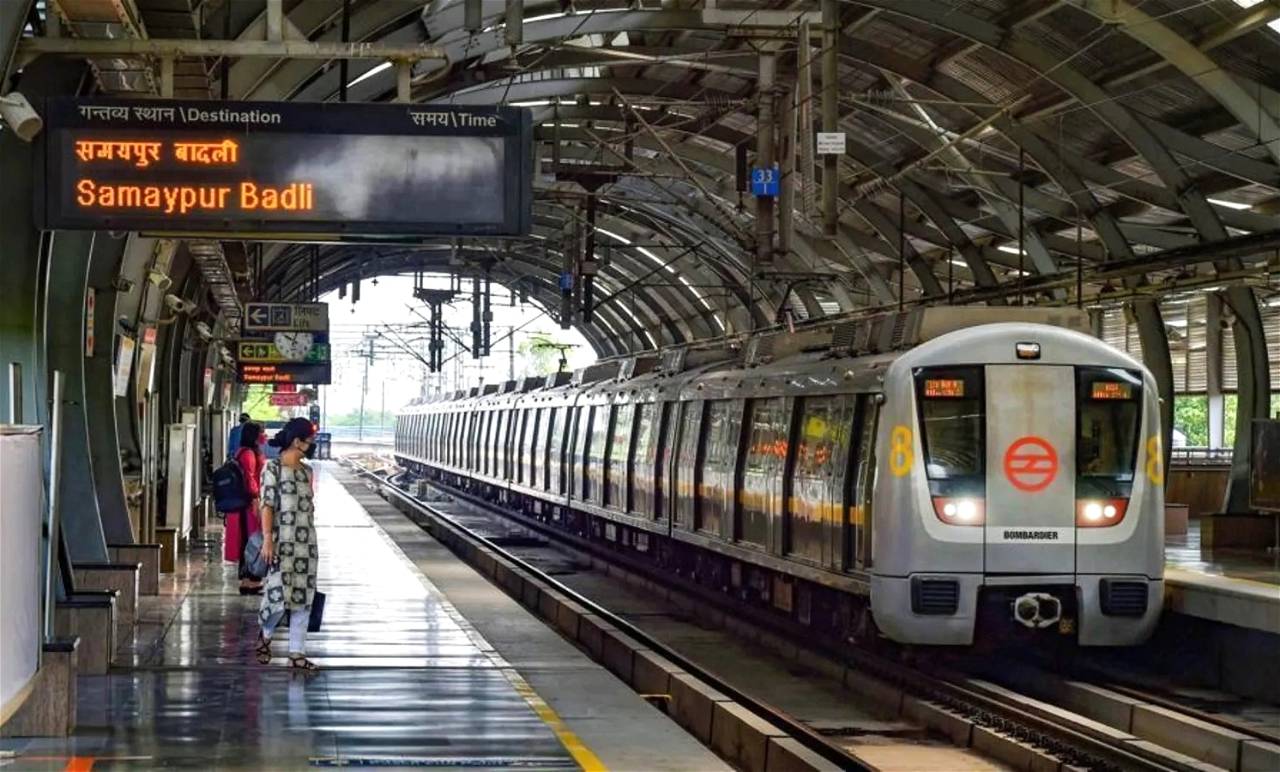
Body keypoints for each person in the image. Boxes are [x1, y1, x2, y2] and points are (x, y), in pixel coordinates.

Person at [255, 417, 320, 672]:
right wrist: (267, 539)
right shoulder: (272, 469)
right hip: (281, 544)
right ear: (297, 441)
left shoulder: (307, 471)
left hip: (307, 545)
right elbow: (266, 505)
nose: (312, 445)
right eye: (309, 440)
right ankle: (265, 636)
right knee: (277, 596)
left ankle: (297, 653)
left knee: (303, 599)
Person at [224, 421, 265, 595]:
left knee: (247, 541)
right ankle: (250, 580)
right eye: (261, 433)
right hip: (248, 505)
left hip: (245, 504)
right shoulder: (248, 454)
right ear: (254, 436)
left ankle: (248, 580)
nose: (264, 436)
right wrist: (256, 499)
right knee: (252, 541)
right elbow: (250, 480)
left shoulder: (243, 451)